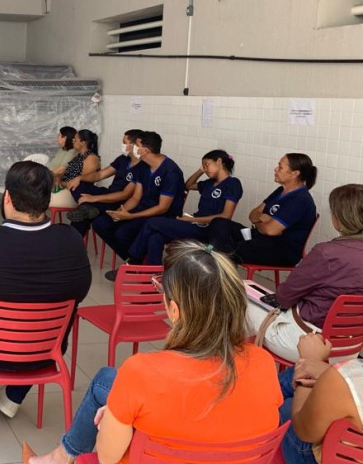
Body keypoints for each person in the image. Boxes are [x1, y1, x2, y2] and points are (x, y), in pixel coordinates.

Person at [26, 240, 281, 464]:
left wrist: (109, 423)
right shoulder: (263, 362)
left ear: (175, 311)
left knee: (108, 383)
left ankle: (59, 458)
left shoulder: (142, 371)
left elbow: (107, 457)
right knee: (107, 381)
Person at [0, 161, 92, 421]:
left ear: (8, 199)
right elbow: (80, 292)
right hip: (45, 352)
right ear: (48, 200)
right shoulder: (71, 241)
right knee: (52, 312)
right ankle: (13, 397)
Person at [246, 184, 363, 363]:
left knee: (238, 295)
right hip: (350, 349)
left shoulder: (327, 253)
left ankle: (240, 373)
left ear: (341, 218)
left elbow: (285, 297)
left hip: (306, 343)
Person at [92, 131, 185, 281]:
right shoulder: (143, 166)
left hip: (161, 215)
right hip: (142, 209)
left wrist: (131, 216)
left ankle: (133, 263)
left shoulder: (171, 171)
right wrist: (122, 212)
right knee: (101, 223)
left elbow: (163, 208)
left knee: (123, 232)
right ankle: (136, 260)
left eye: (136, 145)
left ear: (145, 150)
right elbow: (136, 197)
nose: (132, 147)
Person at [126, 150, 243, 266]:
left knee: (152, 222)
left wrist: (192, 220)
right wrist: (200, 171)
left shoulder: (233, 183)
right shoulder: (209, 183)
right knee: (156, 236)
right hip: (194, 224)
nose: (205, 169)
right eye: (203, 166)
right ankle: (151, 272)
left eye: (207, 164)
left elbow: (225, 216)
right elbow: (188, 185)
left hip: (208, 230)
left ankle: (133, 261)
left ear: (219, 161)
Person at [208, 153, 318, 267]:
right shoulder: (280, 190)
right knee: (219, 223)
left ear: (295, 174)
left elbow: (270, 230)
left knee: (228, 247)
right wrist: (262, 222)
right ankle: (225, 258)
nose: (275, 169)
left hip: (280, 250)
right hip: (261, 237)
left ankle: (220, 260)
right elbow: (253, 214)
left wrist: (261, 223)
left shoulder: (300, 199)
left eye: (280, 167)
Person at [278, 333, 363, 464]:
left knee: (285, 402)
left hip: (314, 455)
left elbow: (303, 431)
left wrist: (307, 366)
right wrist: (326, 369)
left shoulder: (345, 378)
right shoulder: (346, 377)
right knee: (304, 371)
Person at [67, 129, 145, 235]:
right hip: (108, 194)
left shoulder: (143, 166)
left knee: (83, 215)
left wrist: (94, 198)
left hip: (120, 202)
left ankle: (71, 245)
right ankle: (87, 207)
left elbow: (125, 195)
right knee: (79, 186)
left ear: (134, 145)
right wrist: (80, 178)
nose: (122, 145)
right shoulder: (123, 159)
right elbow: (100, 175)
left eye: (124, 143)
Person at [50, 129, 101, 209]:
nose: (73, 141)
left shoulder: (91, 158)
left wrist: (63, 182)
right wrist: (58, 179)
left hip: (77, 191)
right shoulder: (77, 157)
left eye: (75, 139)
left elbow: (83, 182)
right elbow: (65, 175)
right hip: (67, 187)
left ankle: (87, 207)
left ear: (83, 143)